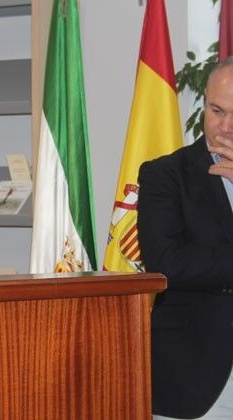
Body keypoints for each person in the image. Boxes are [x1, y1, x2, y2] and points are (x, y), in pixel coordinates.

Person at [137, 57, 233, 419]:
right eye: (217, 111)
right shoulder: (166, 175)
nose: (225, 127)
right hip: (195, 378)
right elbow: (167, 263)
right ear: (204, 102)